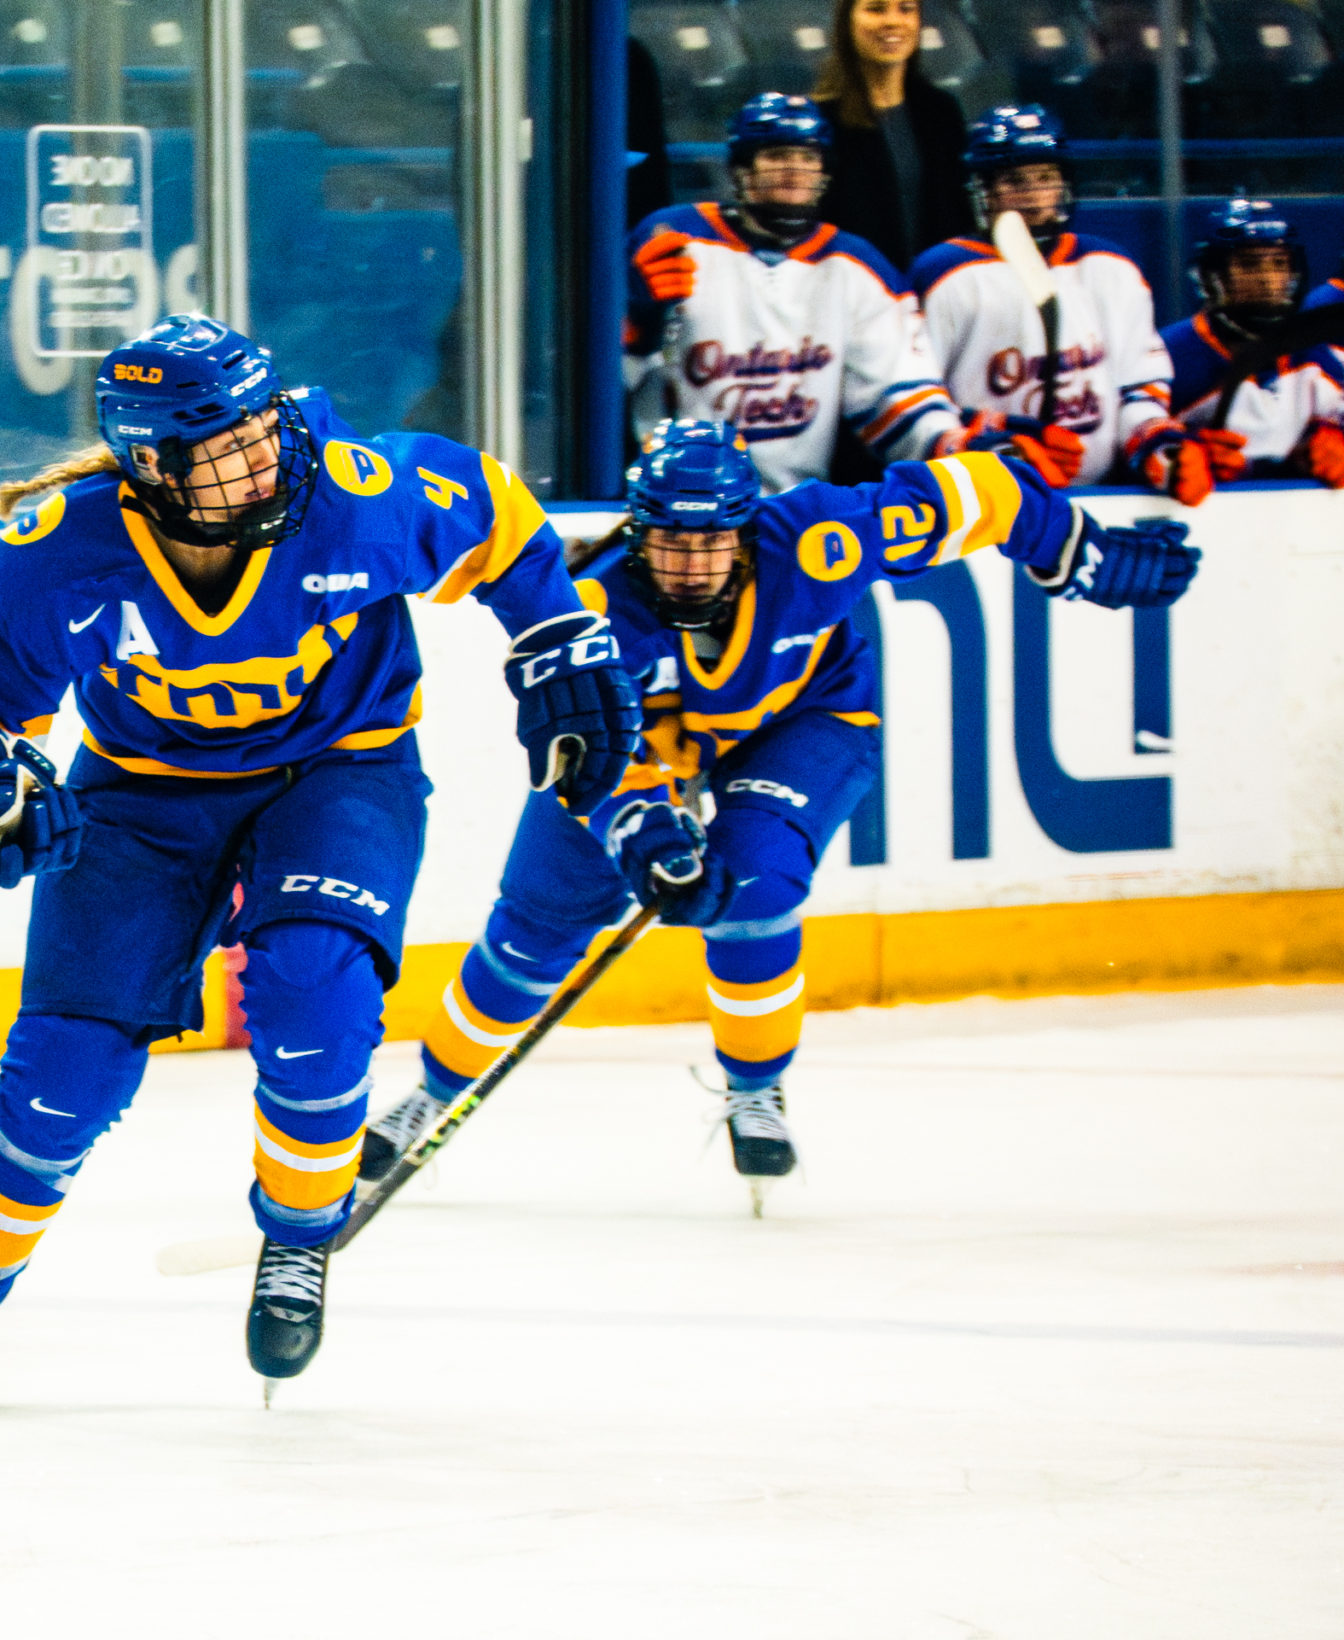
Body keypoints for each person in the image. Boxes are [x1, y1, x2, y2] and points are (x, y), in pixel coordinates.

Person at [0, 315, 644, 1405]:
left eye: (266, 428)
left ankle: (302, 1231)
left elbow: (494, 511)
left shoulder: (352, 491)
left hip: (339, 773)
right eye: (231, 449)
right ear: (152, 464)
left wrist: (553, 636)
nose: (269, 457)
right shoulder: (62, 551)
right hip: (140, 796)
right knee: (61, 1074)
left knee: (315, 990)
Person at [363, 421, 1201, 1209]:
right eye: (670, 543)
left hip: (808, 719)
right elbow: (590, 757)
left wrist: (1075, 552)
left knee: (757, 882)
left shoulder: (822, 540)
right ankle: (431, 1092)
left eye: (711, 542)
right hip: (648, 745)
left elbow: (985, 490)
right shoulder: (593, 609)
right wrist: (640, 828)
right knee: (537, 925)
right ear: (638, 532)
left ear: (747, 530)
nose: (690, 565)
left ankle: (755, 1089)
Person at [625, 93, 963, 493]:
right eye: (776, 155)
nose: (793, 170)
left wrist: (952, 445)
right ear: (742, 170)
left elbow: (897, 394)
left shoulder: (855, 265)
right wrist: (637, 316)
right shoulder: (675, 239)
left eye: (807, 158)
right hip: (675, 502)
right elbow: (603, 379)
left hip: (796, 511)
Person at [911, 106, 1217, 503]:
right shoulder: (944, 275)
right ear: (982, 189)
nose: (1035, 194)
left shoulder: (1112, 267)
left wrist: (1158, 446)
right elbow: (917, 405)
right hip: (984, 503)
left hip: (1106, 498)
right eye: (1015, 181)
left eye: (1045, 178)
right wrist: (1000, 443)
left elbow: (1138, 389)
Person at [1159, 202, 1344, 489]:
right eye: (1248, 265)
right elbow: (1125, 449)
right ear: (1211, 276)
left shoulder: (1313, 351)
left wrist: (1335, 435)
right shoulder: (1168, 355)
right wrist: (1176, 453)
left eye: (1279, 264)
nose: (1268, 280)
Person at [812, 0, 971, 274]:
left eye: (906, 9)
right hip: (857, 296)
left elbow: (960, 217)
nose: (893, 21)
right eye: (876, 9)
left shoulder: (942, 112)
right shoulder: (820, 120)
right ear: (847, 23)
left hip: (935, 293)